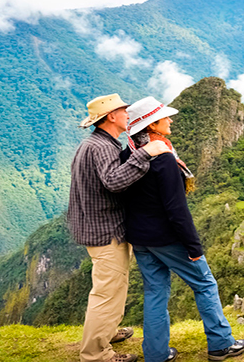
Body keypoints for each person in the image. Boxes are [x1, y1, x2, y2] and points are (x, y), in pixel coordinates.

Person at [119, 97, 244, 362]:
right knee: (204, 284)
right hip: (166, 237)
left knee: (155, 292)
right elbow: (176, 209)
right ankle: (221, 344)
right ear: (152, 124)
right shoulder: (164, 160)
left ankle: (155, 354)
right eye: (165, 117)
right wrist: (194, 247)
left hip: (140, 238)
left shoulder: (128, 154)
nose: (171, 120)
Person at [68, 94, 172, 362]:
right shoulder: (102, 147)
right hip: (106, 232)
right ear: (111, 116)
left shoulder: (93, 144)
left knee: (111, 288)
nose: (128, 115)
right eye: (124, 111)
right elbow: (114, 182)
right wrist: (147, 153)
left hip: (96, 227)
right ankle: (96, 354)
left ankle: (106, 331)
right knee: (108, 292)